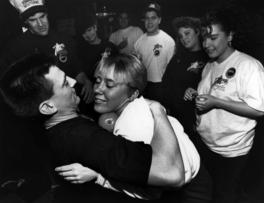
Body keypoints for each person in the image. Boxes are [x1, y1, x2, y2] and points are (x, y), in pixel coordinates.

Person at [0, 53, 184, 202]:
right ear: (47, 107)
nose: (73, 82)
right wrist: (158, 111)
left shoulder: (50, 132)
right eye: (64, 83)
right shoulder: (87, 139)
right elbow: (172, 174)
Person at [55, 53, 209, 201]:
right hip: (198, 175)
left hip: (191, 192)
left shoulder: (130, 127)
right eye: (97, 81)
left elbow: (151, 193)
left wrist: (99, 177)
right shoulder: (141, 105)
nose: (97, 89)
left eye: (109, 84)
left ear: (133, 93)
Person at [184, 7, 264, 203]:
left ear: (230, 35)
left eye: (213, 38)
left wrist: (216, 102)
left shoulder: (249, 66)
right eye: (204, 38)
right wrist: (197, 94)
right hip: (205, 144)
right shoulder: (210, 65)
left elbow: (258, 109)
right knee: (205, 192)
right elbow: (213, 94)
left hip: (230, 153)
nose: (206, 44)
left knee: (225, 196)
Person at [3, 0, 92, 104]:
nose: (40, 24)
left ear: (47, 15)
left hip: (69, 98)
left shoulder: (64, 39)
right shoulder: (16, 47)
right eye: (33, 20)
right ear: (26, 22)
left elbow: (76, 69)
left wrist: (86, 81)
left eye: (42, 17)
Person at [161, 16, 208, 137]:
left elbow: (211, 89)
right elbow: (166, 81)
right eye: (181, 36)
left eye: (187, 33)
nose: (184, 39)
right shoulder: (178, 57)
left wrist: (196, 92)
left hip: (195, 118)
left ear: (197, 32)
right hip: (174, 116)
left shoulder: (207, 57)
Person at [134, 2, 175, 101]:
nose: (149, 21)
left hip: (161, 86)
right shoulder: (138, 42)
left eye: (153, 18)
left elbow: (172, 70)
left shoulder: (168, 41)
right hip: (144, 86)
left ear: (159, 20)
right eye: (147, 18)